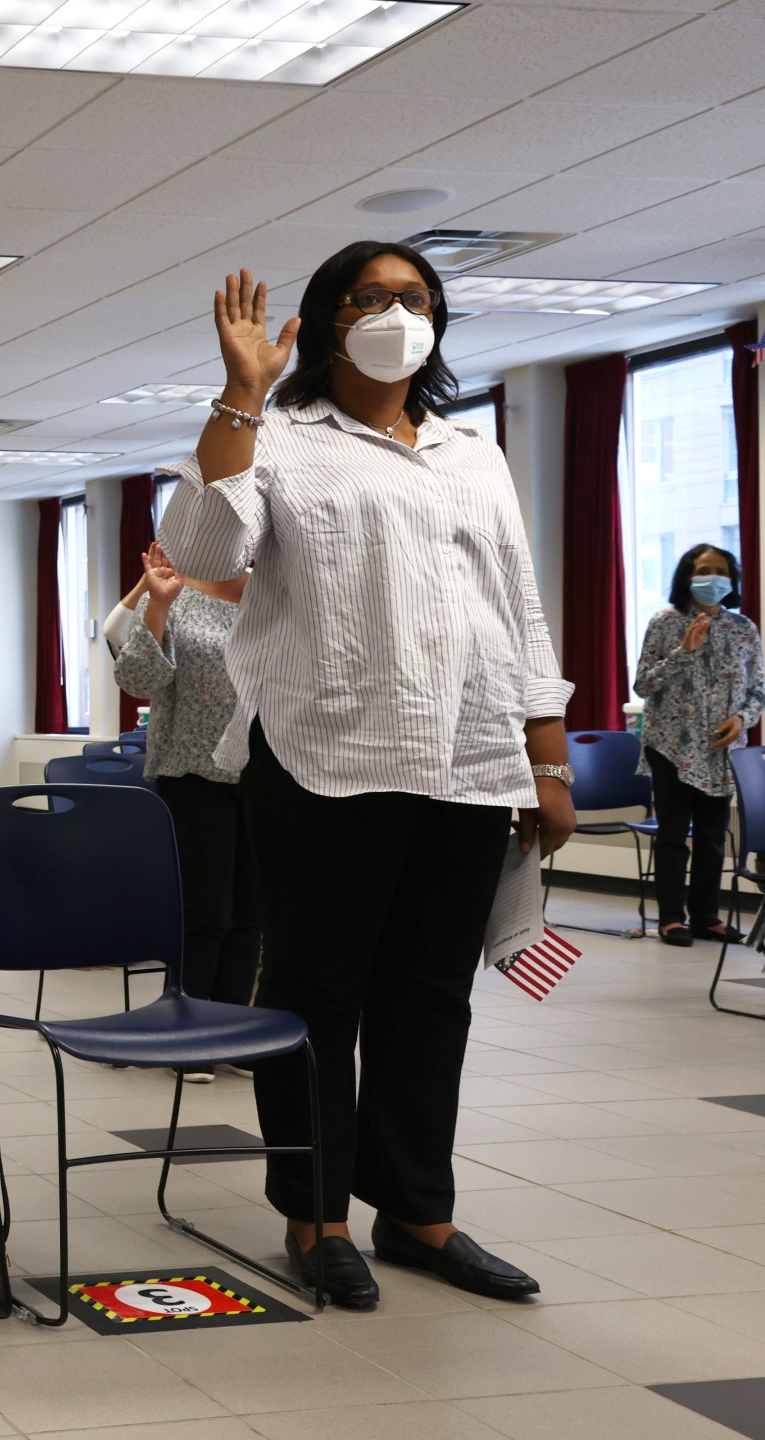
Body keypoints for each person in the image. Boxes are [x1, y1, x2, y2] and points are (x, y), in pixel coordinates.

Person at [161, 247, 574, 1311]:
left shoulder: (470, 452)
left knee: (431, 997)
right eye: (368, 298)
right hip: (325, 756)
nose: (394, 314)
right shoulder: (285, 441)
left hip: (470, 759)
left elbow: (517, 606)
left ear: (439, 319)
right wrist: (241, 395)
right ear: (326, 318)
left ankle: (417, 1214)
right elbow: (202, 538)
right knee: (314, 996)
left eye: (413, 299)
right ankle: (315, 1215)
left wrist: (546, 752)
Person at [112, 541, 257, 1083]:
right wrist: (158, 603)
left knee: (250, 916)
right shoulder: (177, 591)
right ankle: (188, 1035)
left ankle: (234, 1034)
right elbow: (136, 681)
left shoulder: (269, 594)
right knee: (206, 915)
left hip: (265, 774)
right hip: (193, 772)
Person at [633, 544, 765, 947]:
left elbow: (757, 690)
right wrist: (683, 651)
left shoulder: (744, 629)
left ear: (732, 579)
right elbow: (642, 684)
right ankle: (671, 920)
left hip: (721, 750)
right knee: (673, 835)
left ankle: (706, 917)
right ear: (688, 576)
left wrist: (742, 718)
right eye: (704, 569)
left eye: (721, 570)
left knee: (712, 836)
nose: (713, 578)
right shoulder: (664, 622)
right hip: (671, 745)